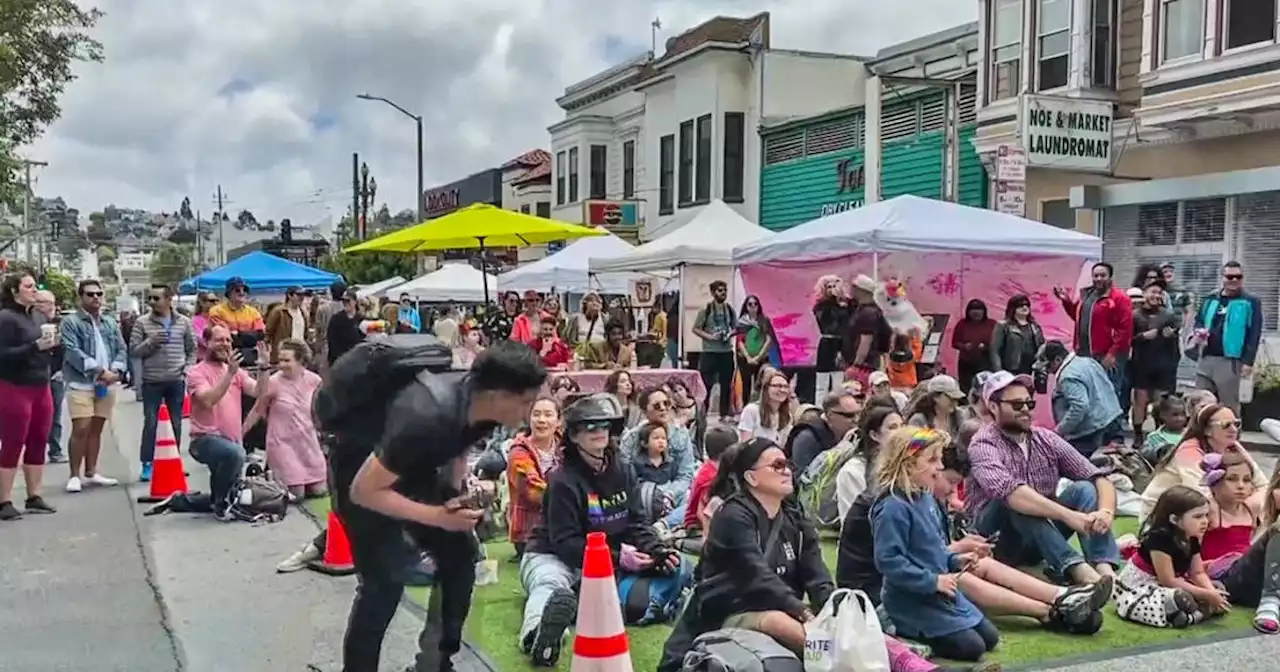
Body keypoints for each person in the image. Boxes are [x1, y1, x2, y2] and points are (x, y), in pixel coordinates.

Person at [348, 340, 547, 672]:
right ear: (498, 394)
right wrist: (438, 516)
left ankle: (434, 664)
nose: (530, 412)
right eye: (526, 402)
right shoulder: (425, 415)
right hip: (359, 468)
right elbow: (363, 491)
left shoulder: (483, 405)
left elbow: (460, 441)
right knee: (384, 580)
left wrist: (456, 492)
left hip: (415, 465)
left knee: (460, 554)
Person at [519, 394, 681, 667]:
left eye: (604, 425)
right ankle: (536, 636)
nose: (598, 432)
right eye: (589, 427)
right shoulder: (562, 481)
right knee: (550, 585)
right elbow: (565, 543)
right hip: (552, 555)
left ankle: (576, 605)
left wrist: (656, 549)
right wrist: (617, 557)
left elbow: (636, 523)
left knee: (672, 568)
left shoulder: (624, 471)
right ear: (573, 435)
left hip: (604, 562)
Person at [967, 371, 1120, 587]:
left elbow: (1099, 477)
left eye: (1029, 404)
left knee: (1085, 488)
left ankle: (1104, 567)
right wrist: (1069, 516)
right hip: (997, 540)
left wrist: (1106, 512)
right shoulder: (983, 443)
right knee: (1018, 499)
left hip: (1040, 536)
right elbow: (1010, 492)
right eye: (1017, 405)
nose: (1026, 411)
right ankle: (1079, 570)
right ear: (993, 407)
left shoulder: (1045, 438)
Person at [1115, 485, 1220, 628]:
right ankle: (1193, 615)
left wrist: (1211, 592)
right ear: (1174, 519)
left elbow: (1197, 572)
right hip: (1143, 586)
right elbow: (1168, 580)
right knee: (1178, 597)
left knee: (1217, 587)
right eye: (1198, 516)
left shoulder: (1192, 537)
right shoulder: (1159, 539)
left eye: (1206, 515)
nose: (1205, 521)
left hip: (1173, 583)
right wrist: (1206, 595)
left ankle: (1190, 614)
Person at [1140, 403, 1268, 519]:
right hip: (1161, 516)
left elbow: (1262, 484)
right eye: (1225, 425)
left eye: (1237, 424)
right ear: (1207, 430)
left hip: (1197, 512)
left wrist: (1247, 507)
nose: (1234, 429)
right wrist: (1241, 511)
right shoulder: (1188, 450)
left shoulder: (1233, 447)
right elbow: (1202, 494)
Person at [0, 273, 59, 519]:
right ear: (15, 291)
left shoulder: (38, 316)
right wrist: (33, 347)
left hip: (40, 384)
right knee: (14, 440)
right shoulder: (5, 318)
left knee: (39, 438)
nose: (34, 290)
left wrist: (53, 346)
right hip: (14, 385)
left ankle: (34, 495)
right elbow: (3, 355)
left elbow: (47, 350)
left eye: (35, 286)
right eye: (29, 286)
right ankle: (3, 500)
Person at [60, 279, 127, 493]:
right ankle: (74, 475)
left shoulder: (109, 322)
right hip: (81, 383)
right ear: (81, 297)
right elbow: (72, 351)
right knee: (81, 428)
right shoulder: (71, 322)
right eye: (90, 294)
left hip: (105, 384)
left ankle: (91, 471)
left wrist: (115, 370)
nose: (95, 298)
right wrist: (100, 370)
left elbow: (121, 347)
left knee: (97, 428)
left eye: (99, 294)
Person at [242, 339, 326, 500]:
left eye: (287, 360)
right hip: (282, 442)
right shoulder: (274, 382)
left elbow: (322, 408)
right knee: (297, 494)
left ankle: (268, 477)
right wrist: (241, 434)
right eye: (280, 360)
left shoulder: (315, 380)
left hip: (307, 442)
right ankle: (265, 480)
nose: (282, 364)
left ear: (301, 361)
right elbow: (258, 409)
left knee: (319, 491)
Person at [130, 284, 197, 482]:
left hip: (176, 379)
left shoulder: (183, 322)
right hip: (152, 380)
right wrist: (151, 342)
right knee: (151, 422)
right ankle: (147, 464)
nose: (152, 302)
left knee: (176, 422)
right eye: (150, 298)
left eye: (156, 298)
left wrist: (187, 369)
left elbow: (192, 349)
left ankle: (173, 461)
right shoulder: (142, 323)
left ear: (169, 300)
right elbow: (133, 350)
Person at [1054, 262, 1133, 410]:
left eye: (1102, 275)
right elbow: (1078, 318)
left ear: (1110, 277)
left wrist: (1112, 354)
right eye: (1095, 275)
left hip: (1106, 355)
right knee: (1089, 394)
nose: (1098, 279)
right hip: (1084, 355)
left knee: (1109, 394)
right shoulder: (1086, 295)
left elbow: (1125, 330)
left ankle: (1112, 430)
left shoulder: (1120, 298)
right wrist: (1066, 301)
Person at [1192, 261, 1263, 413]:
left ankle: (1232, 436)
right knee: (1201, 405)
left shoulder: (1250, 302)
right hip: (1206, 357)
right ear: (1222, 278)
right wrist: (1198, 332)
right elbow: (1199, 320)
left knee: (1229, 407)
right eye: (1230, 277)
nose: (1234, 280)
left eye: (1238, 277)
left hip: (1230, 360)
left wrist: (1248, 361)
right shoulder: (1209, 299)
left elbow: (1254, 333)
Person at [618, 387, 697, 521]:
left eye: (666, 403)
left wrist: (669, 494)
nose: (663, 408)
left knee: (693, 499)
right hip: (642, 493)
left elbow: (685, 474)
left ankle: (664, 525)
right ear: (644, 411)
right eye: (656, 406)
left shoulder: (681, 434)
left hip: (673, 492)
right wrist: (650, 494)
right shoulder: (632, 437)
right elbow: (623, 473)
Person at [1040, 340, 1124, 458]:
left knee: (1084, 469)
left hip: (1093, 431)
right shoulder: (1088, 361)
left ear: (1058, 359)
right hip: (1113, 419)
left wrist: (1059, 430)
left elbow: (1080, 407)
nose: (1047, 370)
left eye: (1048, 364)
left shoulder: (1067, 376)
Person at [506, 397, 562, 561]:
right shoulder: (518, 452)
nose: (542, 420)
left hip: (563, 522)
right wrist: (571, 499)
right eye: (536, 414)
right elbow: (534, 492)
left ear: (558, 421)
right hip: (530, 532)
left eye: (548, 415)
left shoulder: (566, 447)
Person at [1130, 279, 1181, 444]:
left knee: (1161, 403)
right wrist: (1142, 337)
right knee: (1140, 401)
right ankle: (1138, 436)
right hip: (1141, 365)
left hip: (1163, 365)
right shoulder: (1134, 315)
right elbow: (1126, 339)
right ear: (1144, 294)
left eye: (1159, 293)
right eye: (1153, 292)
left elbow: (1176, 336)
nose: (1156, 296)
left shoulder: (1169, 315)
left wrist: (1171, 335)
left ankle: (1159, 434)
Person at [835, 403, 903, 521]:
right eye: (893, 427)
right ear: (874, 435)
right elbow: (853, 520)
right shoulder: (853, 471)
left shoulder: (907, 465)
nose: (901, 432)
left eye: (902, 426)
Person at [784, 388, 862, 475]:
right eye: (849, 415)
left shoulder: (857, 435)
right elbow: (804, 481)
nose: (856, 420)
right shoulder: (808, 438)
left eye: (859, 414)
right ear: (830, 415)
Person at [692, 280, 737, 417]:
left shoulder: (729, 309)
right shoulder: (705, 310)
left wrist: (729, 333)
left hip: (726, 351)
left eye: (724, 290)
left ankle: (724, 414)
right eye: (719, 290)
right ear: (713, 293)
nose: (723, 293)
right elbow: (695, 329)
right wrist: (710, 337)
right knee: (706, 385)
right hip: (710, 352)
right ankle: (701, 414)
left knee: (726, 385)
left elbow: (735, 327)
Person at [34, 290, 67, 465]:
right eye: (37, 301)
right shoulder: (31, 322)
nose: (39, 305)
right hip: (35, 374)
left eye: (43, 302)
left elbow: (68, 349)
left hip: (55, 374)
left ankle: (55, 449)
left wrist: (62, 370)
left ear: (52, 304)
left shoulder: (61, 323)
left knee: (55, 414)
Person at [812, 274, 851, 398]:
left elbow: (848, 319)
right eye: (829, 287)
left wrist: (842, 300)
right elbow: (827, 322)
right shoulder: (821, 307)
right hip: (827, 342)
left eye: (834, 286)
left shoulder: (846, 305)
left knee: (838, 382)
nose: (832, 289)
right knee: (822, 382)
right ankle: (819, 408)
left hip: (841, 344)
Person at [989, 294, 1044, 376]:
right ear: (1012, 308)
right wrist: (999, 372)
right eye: (1020, 305)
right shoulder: (1003, 326)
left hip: (1032, 370)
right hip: (1011, 371)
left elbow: (1042, 348)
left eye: (1027, 305)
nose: (1024, 307)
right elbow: (995, 351)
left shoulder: (1035, 326)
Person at [735, 294, 775, 403]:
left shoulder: (764, 321)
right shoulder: (742, 322)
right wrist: (748, 357)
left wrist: (758, 357)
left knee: (762, 384)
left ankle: (761, 407)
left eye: (755, 304)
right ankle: (746, 408)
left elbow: (768, 340)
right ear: (746, 307)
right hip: (744, 358)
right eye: (750, 304)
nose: (753, 306)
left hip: (761, 358)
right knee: (746, 384)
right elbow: (740, 341)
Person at [736, 369, 794, 443]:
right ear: (766, 388)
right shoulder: (751, 410)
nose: (782, 390)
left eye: (786, 386)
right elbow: (745, 444)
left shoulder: (787, 415)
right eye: (777, 386)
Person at [951, 299, 995, 393]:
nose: (976, 313)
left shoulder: (991, 324)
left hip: (985, 362)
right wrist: (964, 346)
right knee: (966, 388)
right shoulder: (962, 324)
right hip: (966, 363)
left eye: (979, 310)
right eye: (973, 310)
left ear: (984, 312)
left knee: (984, 387)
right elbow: (955, 342)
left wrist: (986, 346)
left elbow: (997, 343)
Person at [905, 374, 970, 437]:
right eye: (951, 398)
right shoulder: (919, 420)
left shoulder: (959, 415)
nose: (955, 402)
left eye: (956, 399)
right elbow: (914, 446)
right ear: (935, 397)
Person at [1141, 393, 1190, 464]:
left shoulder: (1191, 435)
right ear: (1162, 415)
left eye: (1183, 414)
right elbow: (1144, 454)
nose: (1180, 418)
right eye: (1175, 415)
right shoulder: (1154, 437)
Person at [264, 286, 309, 361]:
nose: (302, 297)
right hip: (282, 354)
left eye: (303, 295)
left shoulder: (304, 312)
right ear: (289, 296)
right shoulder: (278, 311)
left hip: (299, 354)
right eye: (298, 295)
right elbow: (268, 333)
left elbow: (306, 335)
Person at [311, 279, 347, 369]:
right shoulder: (348, 308)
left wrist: (317, 348)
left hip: (326, 346)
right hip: (345, 347)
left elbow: (318, 329)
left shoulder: (323, 308)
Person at [325, 290, 364, 367]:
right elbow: (331, 340)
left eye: (348, 301)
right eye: (343, 301)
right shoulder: (336, 319)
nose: (345, 303)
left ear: (355, 302)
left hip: (357, 361)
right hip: (340, 361)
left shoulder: (361, 319)